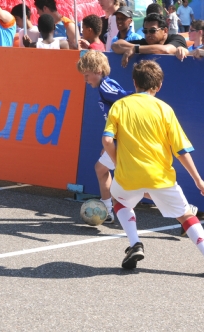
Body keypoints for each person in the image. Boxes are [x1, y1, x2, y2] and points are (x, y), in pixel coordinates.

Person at [102, 59, 204, 278]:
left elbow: (106, 140)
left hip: (127, 175)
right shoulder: (165, 109)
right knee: (186, 216)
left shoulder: (120, 105)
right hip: (160, 177)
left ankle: (135, 244)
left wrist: (116, 162)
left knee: (119, 202)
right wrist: (199, 180)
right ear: (158, 87)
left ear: (134, 82)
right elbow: (181, 150)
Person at [76, 50, 133, 222]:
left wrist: (143, 95)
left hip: (124, 140)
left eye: (87, 75)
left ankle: (182, 209)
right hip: (118, 139)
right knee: (101, 170)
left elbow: (127, 99)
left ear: (98, 71)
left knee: (135, 183)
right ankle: (108, 210)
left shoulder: (106, 86)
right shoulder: (104, 86)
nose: (85, 81)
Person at [112, 13, 187, 68]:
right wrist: (134, 48)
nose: (148, 34)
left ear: (165, 31)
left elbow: (165, 50)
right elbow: (115, 45)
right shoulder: (145, 42)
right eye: (145, 31)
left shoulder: (177, 39)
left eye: (152, 30)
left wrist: (136, 49)